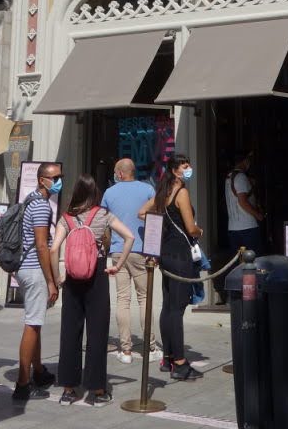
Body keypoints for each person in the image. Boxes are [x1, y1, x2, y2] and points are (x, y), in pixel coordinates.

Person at [50, 173, 135, 405]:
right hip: (97, 276)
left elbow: (53, 247)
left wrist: (57, 275)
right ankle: (97, 391)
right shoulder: (103, 215)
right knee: (97, 334)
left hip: (72, 279)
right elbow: (129, 236)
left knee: (70, 332)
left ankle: (68, 389)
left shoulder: (66, 218)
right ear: (94, 193)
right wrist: (117, 265)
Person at [139, 153, 202, 381]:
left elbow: (141, 212)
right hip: (179, 254)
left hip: (165, 253)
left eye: (189, 164)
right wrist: (199, 231)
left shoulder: (162, 191)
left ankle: (167, 357)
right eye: (185, 166)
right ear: (175, 170)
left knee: (168, 306)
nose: (188, 169)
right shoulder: (181, 193)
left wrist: (159, 227)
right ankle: (180, 363)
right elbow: (190, 227)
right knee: (177, 309)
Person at [101, 157, 158, 364]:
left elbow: (105, 224)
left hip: (118, 251)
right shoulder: (148, 190)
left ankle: (125, 350)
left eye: (116, 172)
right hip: (142, 251)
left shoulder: (109, 193)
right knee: (145, 298)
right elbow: (154, 221)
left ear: (120, 173)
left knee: (122, 300)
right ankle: (150, 347)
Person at [13, 160, 61, 402]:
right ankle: (22, 383)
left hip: (24, 267)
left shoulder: (29, 200)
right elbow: (42, 245)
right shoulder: (41, 206)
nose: (60, 181)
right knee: (32, 324)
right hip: (34, 269)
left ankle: (39, 370)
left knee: (36, 321)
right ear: (43, 180)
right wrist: (51, 280)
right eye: (56, 177)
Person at [225, 149, 264, 257]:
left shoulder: (229, 177)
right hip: (247, 227)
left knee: (239, 262)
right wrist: (258, 215)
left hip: (233, 228)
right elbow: (243, 202)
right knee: (255, 261)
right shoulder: (241, 177)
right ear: (245, 161)